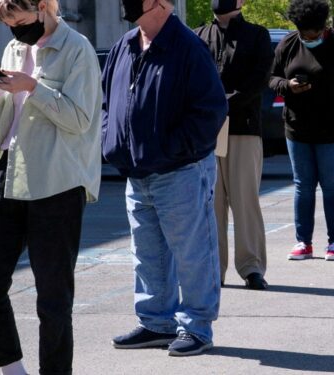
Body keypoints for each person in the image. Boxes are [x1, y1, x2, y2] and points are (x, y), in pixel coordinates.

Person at [0, 0, 103, 373]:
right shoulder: (15, 48)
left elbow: (79, 119)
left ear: (44, 7)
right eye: (9, 24)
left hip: (58, 181)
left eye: (21, 21)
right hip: (9, 173)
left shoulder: (78, 49)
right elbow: (0, 122)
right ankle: (13, 369)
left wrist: (33, 87)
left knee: (54, 299)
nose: (15, 31)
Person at [102, 0, 227, 357]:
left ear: (161, 3)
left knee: (193, 253)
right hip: (137, 172)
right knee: (147, 254)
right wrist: (112, 143)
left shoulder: (188, 47)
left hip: (180, 171)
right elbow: (107, 103)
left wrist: (171, 149)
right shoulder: (124, 46)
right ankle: (156, 323)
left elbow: (211, 111)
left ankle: (197, 328)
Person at [270, 0, 334, 261]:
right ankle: (303, 242)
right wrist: (288, 85)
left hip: (333, 132)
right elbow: (272, 78)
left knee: (332, 186)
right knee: (303, 187)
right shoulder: (288, 44)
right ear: (298, 29)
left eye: (317, 33)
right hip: (297, 129)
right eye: (308, 34)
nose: (313, 37)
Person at [195, 0, 273, 290]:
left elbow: (260, 78)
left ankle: (251, 267)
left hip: (243, 127)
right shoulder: (198, 35)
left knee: (245, 201)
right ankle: (214, 269)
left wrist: (224, 102)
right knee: (210, 205)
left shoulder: (257, 35)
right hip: (207, 132)